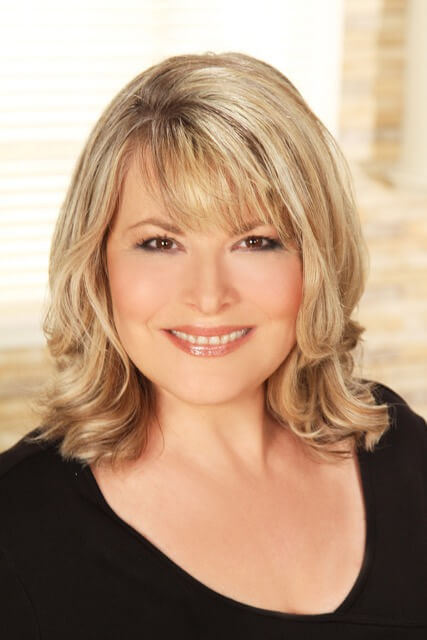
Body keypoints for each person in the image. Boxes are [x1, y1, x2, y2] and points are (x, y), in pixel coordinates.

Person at [0, 52, 425, 639]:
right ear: (98, 264)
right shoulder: (16, 526)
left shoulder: (398, 448)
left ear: (317, 261)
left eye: (255, 241)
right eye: (160, 243)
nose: (207, 296)